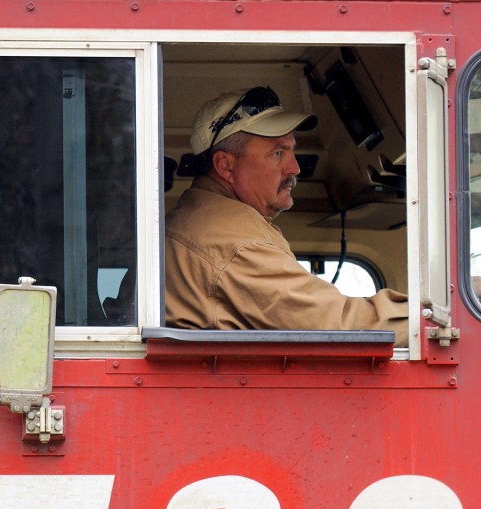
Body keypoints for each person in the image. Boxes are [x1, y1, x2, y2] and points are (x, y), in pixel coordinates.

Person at [164, 86, 409, 345]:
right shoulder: (236, 245)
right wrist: (428, 319)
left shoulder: (198, 220)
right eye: (278, 153)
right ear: (225, 165)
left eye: (292, 151)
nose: (295, 167)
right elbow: (339, 325)